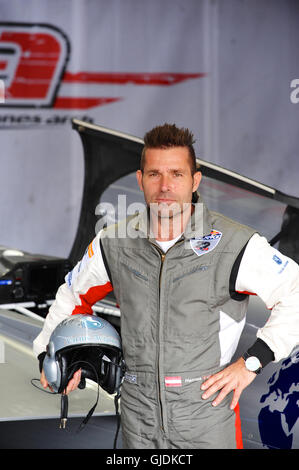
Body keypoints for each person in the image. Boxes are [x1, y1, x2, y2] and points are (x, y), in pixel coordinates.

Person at [33, 123, 299, 449]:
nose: (165, 186)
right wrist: (51, 355)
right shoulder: (113, 242)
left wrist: (252, 363)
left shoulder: (234, 244)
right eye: (155, 174)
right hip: (137, 412)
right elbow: (73, 295)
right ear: (140, 180)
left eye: (176, 174)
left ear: (194, 181)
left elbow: (295, 291)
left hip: (205, 411)